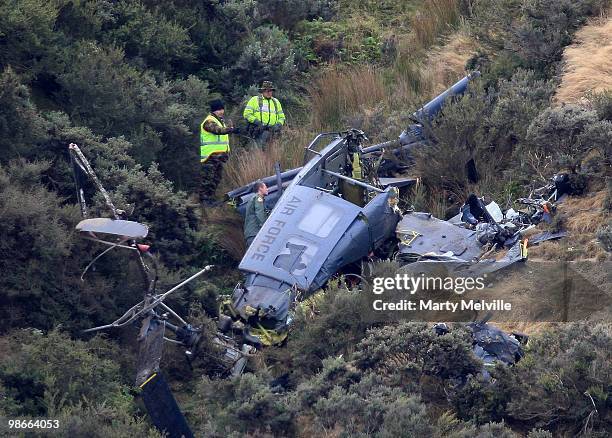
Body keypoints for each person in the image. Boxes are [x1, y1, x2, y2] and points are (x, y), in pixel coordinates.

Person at [200, 99, 236, 204]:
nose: (221, 111)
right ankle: (204, 201)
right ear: (213, 111)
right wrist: (231, 129)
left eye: (222, 109)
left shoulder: (220, 121)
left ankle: (210, 199)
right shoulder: (209, 121)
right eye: (218, 110)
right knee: (207, 179)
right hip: (210, 157)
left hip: (219, 157)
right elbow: (218, 131)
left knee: (216, 178)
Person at [243, 81, 285, 147]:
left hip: (272, 133)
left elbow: (282, 117)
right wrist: (257, 122)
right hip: (258, 132)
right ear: (262, 91)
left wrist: (278, 124)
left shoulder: (276, 102)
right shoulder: (254, 100)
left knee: (271, 154)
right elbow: (247, 114)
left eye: (270, 91)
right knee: (257, 153)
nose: (268, 92)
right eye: (266, 90)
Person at [243, 181, 269, 247]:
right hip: (255, 233)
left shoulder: (254, 198)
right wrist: (265, 227)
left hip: (251, 233)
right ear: (260, 188)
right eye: (265, 187)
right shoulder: (258, 198)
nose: (267, 189)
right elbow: (260, 214)